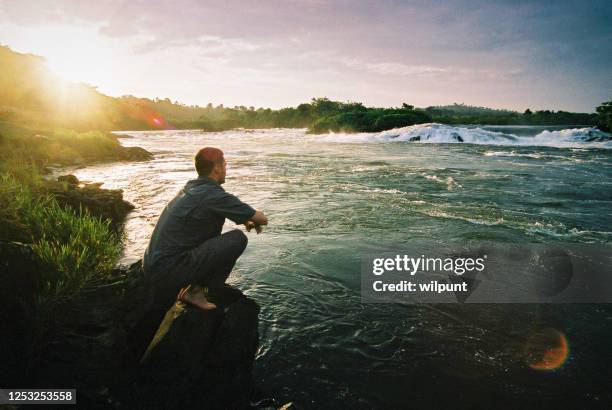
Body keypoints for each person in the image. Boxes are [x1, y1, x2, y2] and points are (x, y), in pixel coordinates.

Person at [142, 147, 268, 311]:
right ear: (217, 168)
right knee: (237, 239)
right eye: (225, 164)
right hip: (168, 271)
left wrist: (245, 220)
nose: (226, 169)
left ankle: (194, 288)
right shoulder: (212, 194)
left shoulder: (190, 188)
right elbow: (262, 219)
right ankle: (198, 291)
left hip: (152, 266)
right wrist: (250, 218)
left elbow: (215, 209)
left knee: (217, 234)